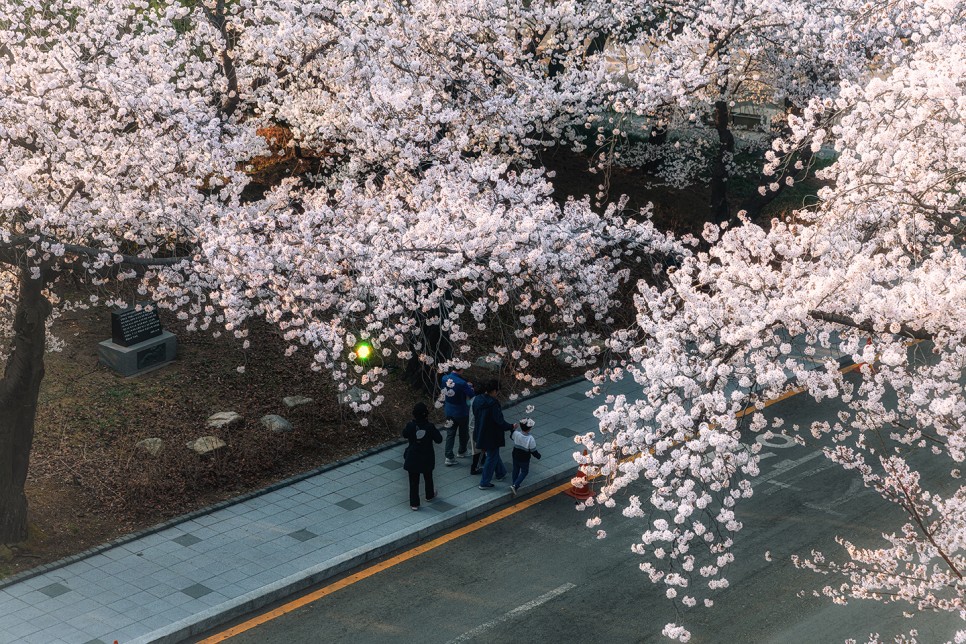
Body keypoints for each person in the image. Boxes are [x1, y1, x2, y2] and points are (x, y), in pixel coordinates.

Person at [472, 379, 516, 489]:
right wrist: (511, 426)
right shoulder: (493, 404)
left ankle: (501, 472)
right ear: (495, 391)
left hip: (479, 432)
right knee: (491, 456)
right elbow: (499, 421)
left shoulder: (477, 399)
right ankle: (484, 482)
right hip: (491, 435)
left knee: (493, 454)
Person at [402, 402, 442, 510]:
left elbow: (404, 434)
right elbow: (439, 439)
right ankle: (429, 495)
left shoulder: (411, 425)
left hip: (413, 456)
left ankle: (414, 503)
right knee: (428, 476)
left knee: (413, 481)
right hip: (426, 456)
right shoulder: (429, 426)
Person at [440, 366, 475, 466]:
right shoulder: (462, 383)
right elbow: (471, 394)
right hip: (461, 411)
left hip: (449, 410)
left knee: (450, 433)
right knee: (463, 432)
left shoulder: (444, 378)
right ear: (461, 369)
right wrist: (470, 387)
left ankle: (449, 456)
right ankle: (462, 451)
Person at [509, 418, 541, 497]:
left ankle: (514, 483)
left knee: (515, 469)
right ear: (530, 428)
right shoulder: (530, 439)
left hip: (515, 455)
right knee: (524, 471)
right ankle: (515, 485)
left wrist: (513, 429)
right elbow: (533, 451)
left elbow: (511, 436)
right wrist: (538, 456)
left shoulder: (516, 434)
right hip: (524, 458)